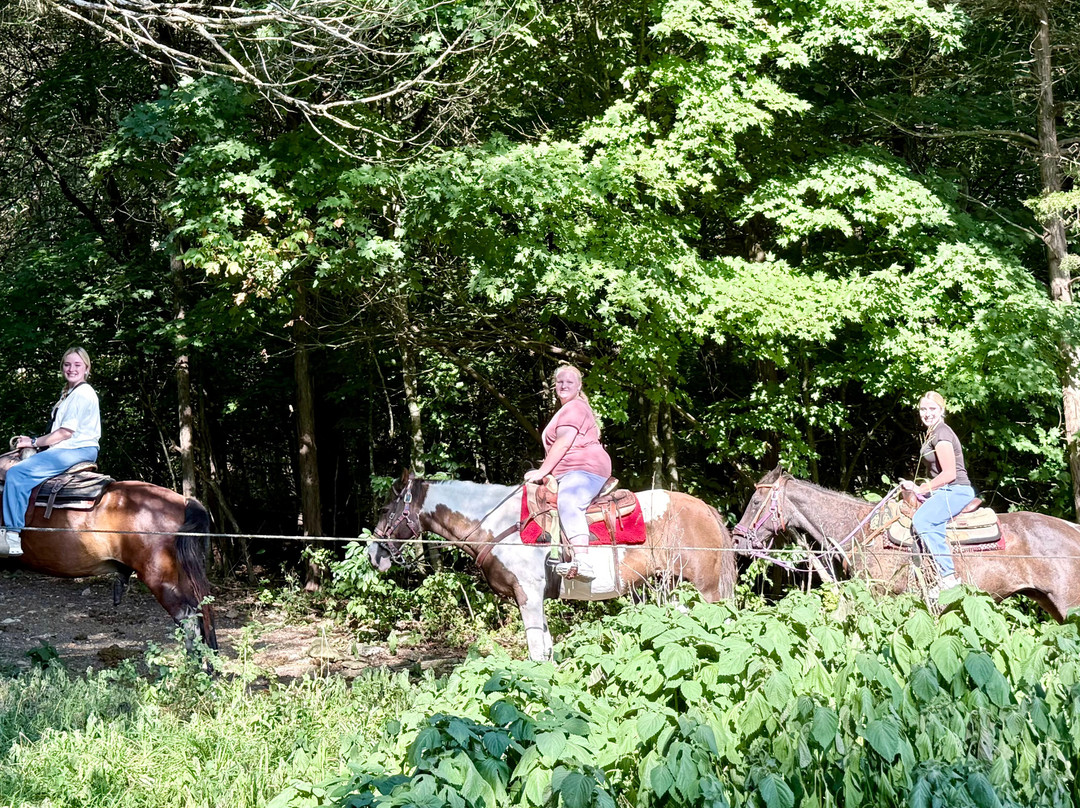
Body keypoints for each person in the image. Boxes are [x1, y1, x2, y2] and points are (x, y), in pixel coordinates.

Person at [1, 347, 101, 557]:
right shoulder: (69, 393)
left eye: (77, 365)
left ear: (86, 368)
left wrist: (34, 442)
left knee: (17, 474)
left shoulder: (82, 393)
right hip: (72, 448)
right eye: (67, 364)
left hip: (74, 449)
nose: (71, 369)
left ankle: (12, 535)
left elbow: (65, 433)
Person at [524, 365, 612, 582]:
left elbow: (563, 443)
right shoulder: (568, 409)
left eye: (569, 382)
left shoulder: (575, 408)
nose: (563, 385)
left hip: (586, 468)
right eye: (560, 382)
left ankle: (584, 562)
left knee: (570, 500)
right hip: (571, 470)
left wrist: (542, 471)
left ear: (579, 386)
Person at [907, 391, 975, 599]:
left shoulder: (942, 434)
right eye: (923, 409)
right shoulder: (933, 432)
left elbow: (949, 473)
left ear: (942, 410)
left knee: (923, 520)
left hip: (956, 490)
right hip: (944, 490)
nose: (927, 413)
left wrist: (922, 489)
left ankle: (947, 577)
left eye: (932, 409)